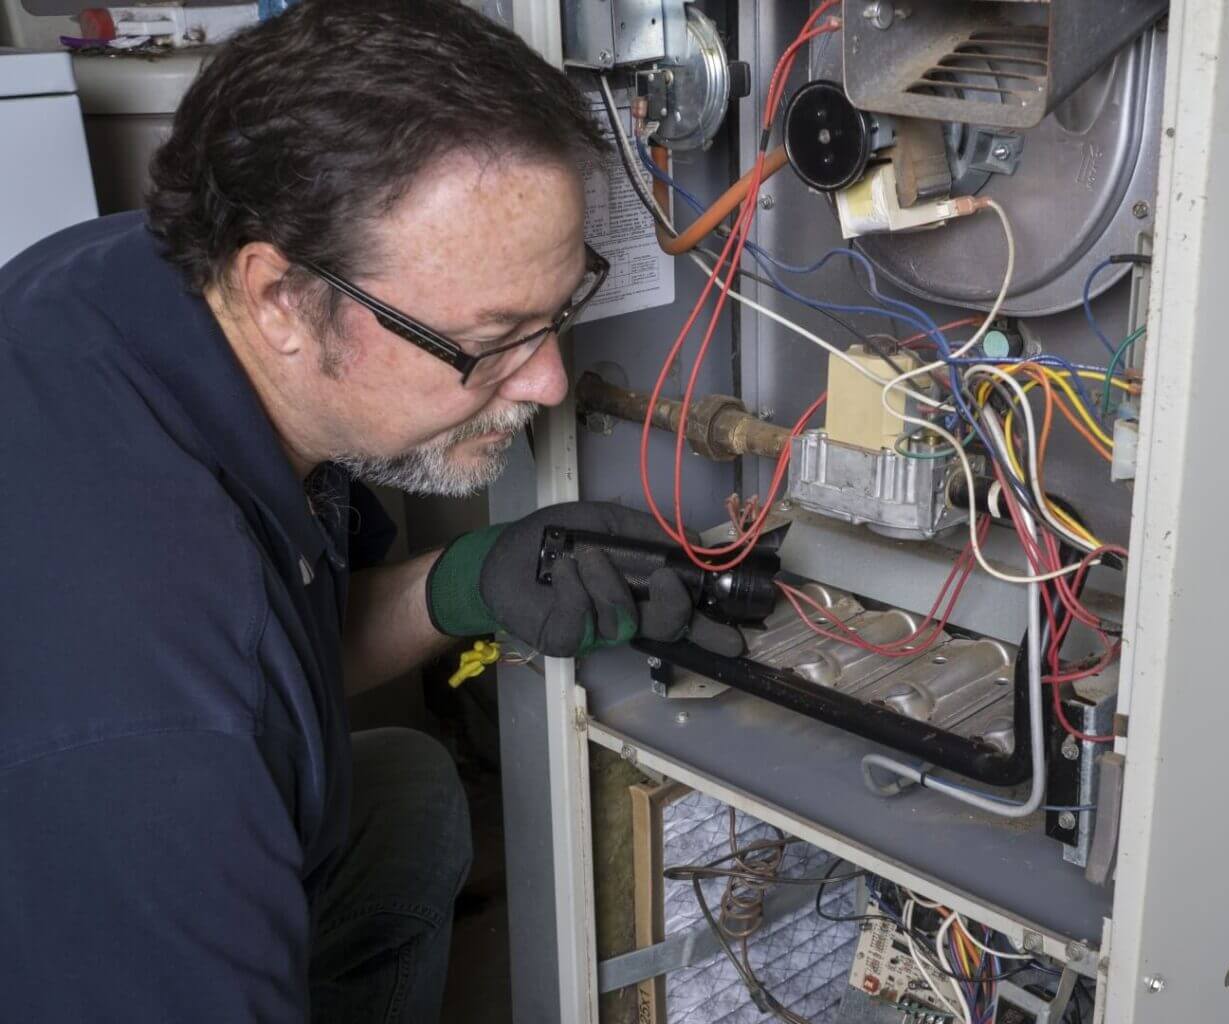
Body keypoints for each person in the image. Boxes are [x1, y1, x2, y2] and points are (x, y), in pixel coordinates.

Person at [0, 0, 738, 1019]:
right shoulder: (165, 733)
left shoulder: (135, 277)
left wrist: (466, 580)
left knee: (408, 798)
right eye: (494, 337)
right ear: (283, 299)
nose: (551, 384)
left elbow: (284, 651)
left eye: (559, 312)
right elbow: (224, 688)